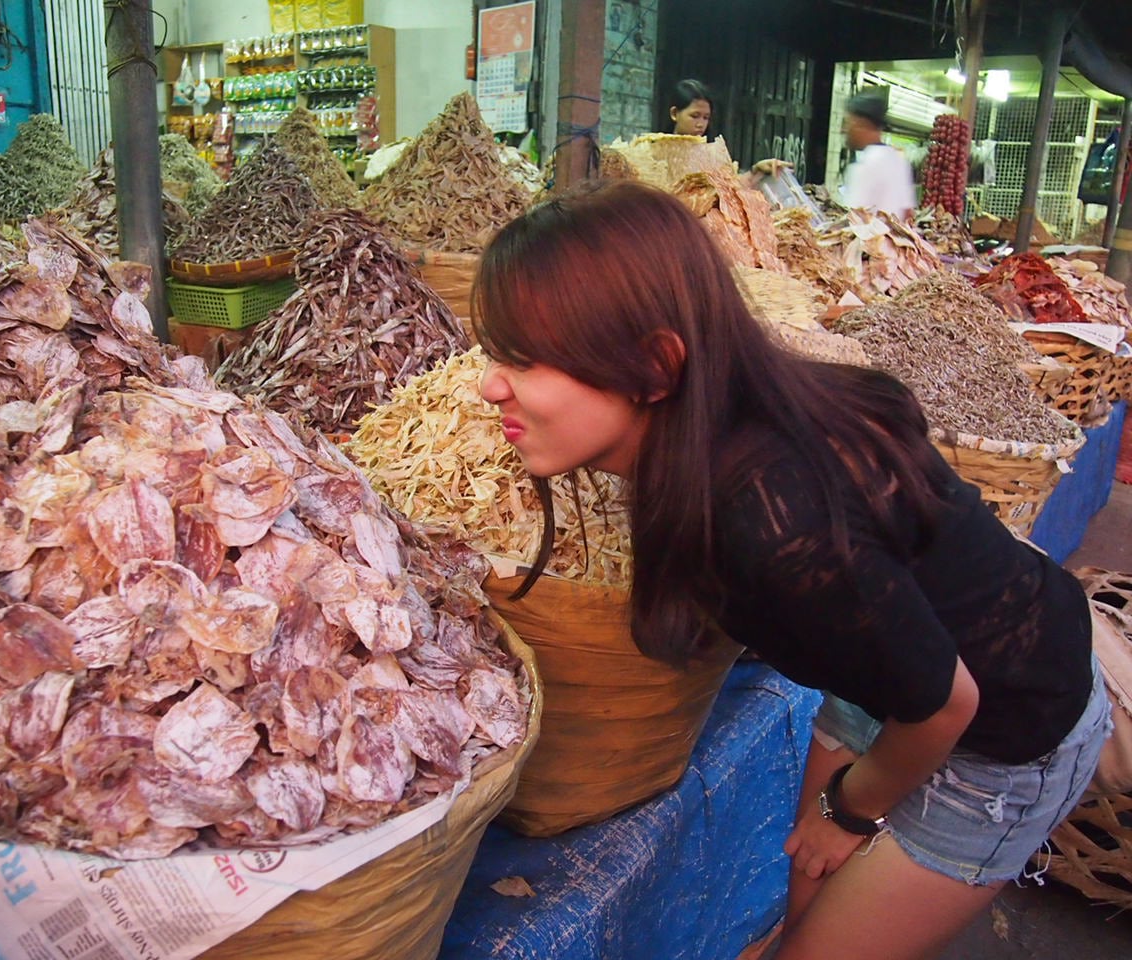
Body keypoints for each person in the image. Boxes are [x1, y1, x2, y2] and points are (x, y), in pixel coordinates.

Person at [474, 179, 1110, 960]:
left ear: (655, 366)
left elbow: (947, 705)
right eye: (495, 353)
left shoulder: (773, 521)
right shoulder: (714, 436)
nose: (488, 385)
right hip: (889, 660)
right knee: (806, 900)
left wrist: (847, 811)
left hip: (1003, 726)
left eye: (528, 359)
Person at [842, 90, 916, 218]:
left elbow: (853, 220)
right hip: (895, 237)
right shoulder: (898, 160)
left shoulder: (864, 166)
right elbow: (908, 213)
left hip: (869, 238)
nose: (844, 130)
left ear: (861, 124)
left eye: (848, 123)